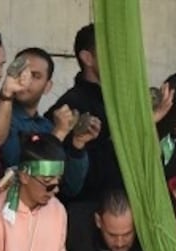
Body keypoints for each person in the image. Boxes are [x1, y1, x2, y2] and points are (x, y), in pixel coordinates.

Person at [0, 47, 97, 199]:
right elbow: (19, 173)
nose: (25, 80)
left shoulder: (46, 126)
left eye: (35, 76)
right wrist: (59, 134)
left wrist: (78, 143)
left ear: (47, 87)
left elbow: (70, 187)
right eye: (21, 72)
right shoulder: (1, 118)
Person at [51, 23, 115, 202]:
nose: (117, 60)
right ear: (87, 58)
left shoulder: (119, 101)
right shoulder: (70, 105)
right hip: (85, 210)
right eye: (109, 52)